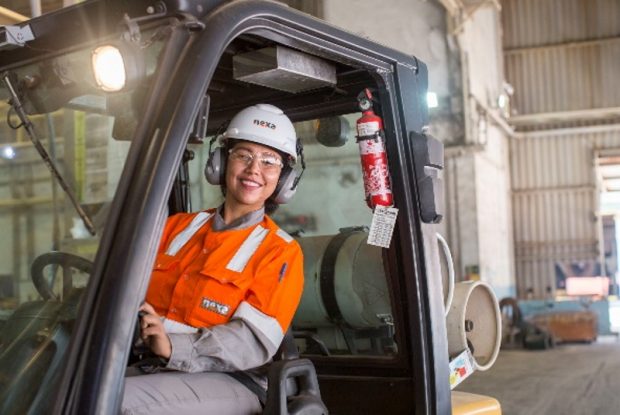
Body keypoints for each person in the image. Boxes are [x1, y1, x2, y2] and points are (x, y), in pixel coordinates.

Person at [121, 104, 305, 415]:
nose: (253, 170)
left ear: (284, 179)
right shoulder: (175, 227)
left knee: (116, 403)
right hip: (152, 366)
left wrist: (174, 347)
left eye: (269, 162)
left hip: (231, 380)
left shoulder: (281, 251)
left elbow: (250, 342)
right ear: (220, 162)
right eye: (243, 155)